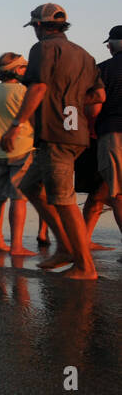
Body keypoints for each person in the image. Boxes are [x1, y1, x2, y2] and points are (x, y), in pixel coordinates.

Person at [0, 3, 105, 280]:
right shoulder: (84, 54)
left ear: (37, 26)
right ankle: (65, 248)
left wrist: (16, 124)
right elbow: (98, 98)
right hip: (77, 133)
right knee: (29, 186)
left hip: (55, 134)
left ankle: (85, 267)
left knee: (63, 199)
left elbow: (39, 87)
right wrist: (72, 106)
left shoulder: (43, 49)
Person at [0, 54, 35, 254]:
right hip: (23, 148)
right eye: (24, 67)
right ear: (17, 69)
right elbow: (34, 119)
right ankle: (17, 246)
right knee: (18, 198)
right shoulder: (25, 91)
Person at [82, 25, 121, 257]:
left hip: (113, 134)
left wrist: (89, 129)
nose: (107, 46)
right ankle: (83, 240)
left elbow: (93, 107)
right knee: (101, 190)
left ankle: (81, 241)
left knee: (116, 193)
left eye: (110, 42)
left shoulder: (103, 70)